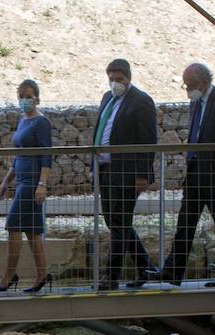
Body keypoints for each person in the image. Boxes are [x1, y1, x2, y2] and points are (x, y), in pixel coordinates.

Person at [148, 63, 215, 287]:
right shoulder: (197, 103)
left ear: (204, 82)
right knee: (185, 225)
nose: (188, 89)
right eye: (186, 85)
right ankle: (172, 272)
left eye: (190, 85)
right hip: (195, 175)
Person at [91, 58, 157, 290]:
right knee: (115, 221)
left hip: (128, 172)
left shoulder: (141, 101)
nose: (114, 83)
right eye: (111, 79)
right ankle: (145, 267)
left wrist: (142, 174)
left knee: (120, 221)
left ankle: (111, 276)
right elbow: (101, 130)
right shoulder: (107, 98)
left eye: (119, 79)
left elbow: (148, 140)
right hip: (106, 169)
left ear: (129, 78)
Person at [0, 80, 53, 294]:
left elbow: (46, 154)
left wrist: (42, 184)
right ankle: (42, 275)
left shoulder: (41, 122)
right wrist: (5, 181)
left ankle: (9, 276)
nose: (24, 100)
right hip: (21, 180)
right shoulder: (23, 120)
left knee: (13, 225)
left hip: (32, 182)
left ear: (37, 98)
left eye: (28, 96)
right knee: (32, 231)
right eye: (21, 96)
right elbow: (18, 156)